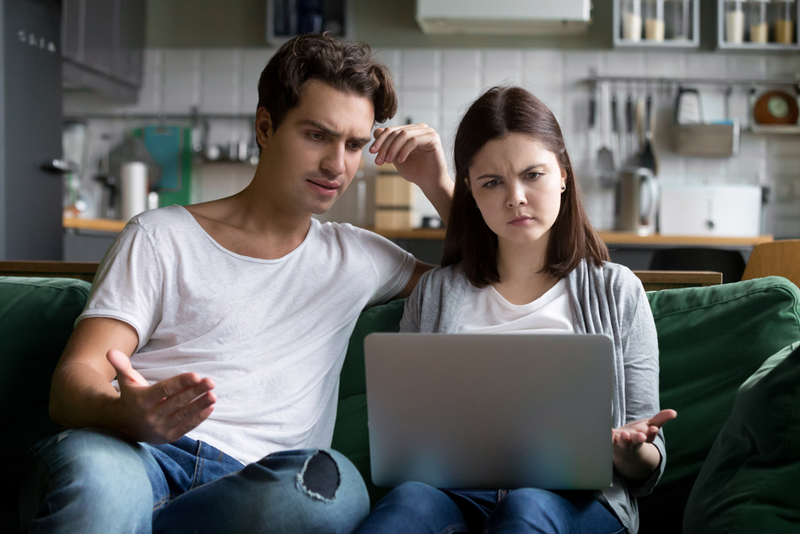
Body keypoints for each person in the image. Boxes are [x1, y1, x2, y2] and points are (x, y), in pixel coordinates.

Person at [20, 33, 453, 534]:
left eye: (355, 144)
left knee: (334, 492)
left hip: (257, 487)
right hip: (133, 453)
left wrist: (437, 185)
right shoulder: (162, 235)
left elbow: (494, 281)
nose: (338, 165)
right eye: (317, 135)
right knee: (101, 489)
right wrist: (123, 413)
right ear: (266, 127)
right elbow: (73, 380)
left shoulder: (359, 256)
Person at [354, 86, 677, 534]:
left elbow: (647, 465)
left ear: (563, 173)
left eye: (533, 175)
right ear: (468, 188)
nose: (515, 197)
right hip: (453, 492)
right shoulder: (435, 294)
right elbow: (409, 440)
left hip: (577, 501)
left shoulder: (617, 291)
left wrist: (627, 451)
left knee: (525, 512)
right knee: (405, 506)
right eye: (492, 182)